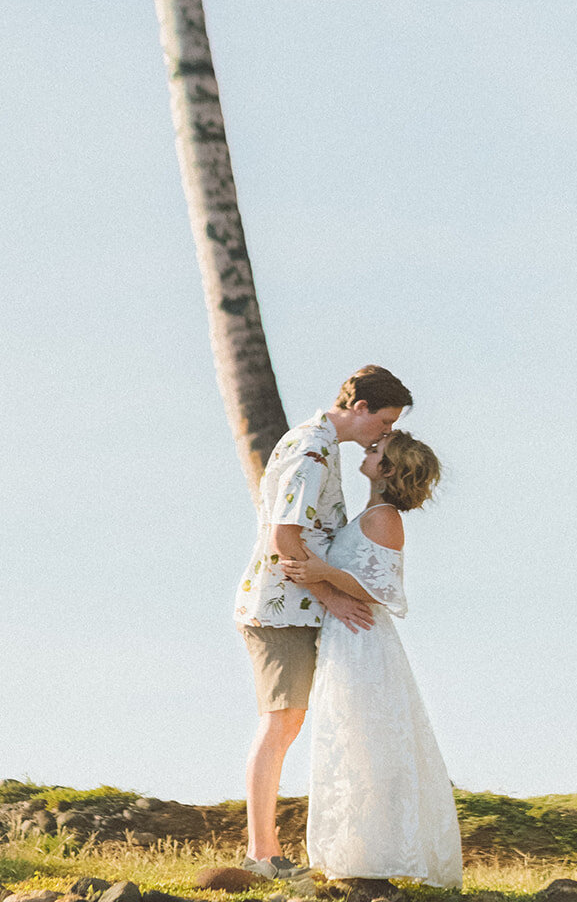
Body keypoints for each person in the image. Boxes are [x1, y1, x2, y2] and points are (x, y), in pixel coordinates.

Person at [234, 366, 413, 881]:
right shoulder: (312, 452)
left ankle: (267, 851)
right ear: (359, 408)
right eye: (383, 420)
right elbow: (283, 538)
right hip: (279, 606)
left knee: (287, 723)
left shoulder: (322, 448)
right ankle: (262, 854)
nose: (385, 432)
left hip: (296, 606)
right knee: (280, 723)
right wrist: (330, 597)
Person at [282, 431, 463, 887]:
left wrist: (325, 573)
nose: (368, 450)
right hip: (345, 634)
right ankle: (352, 851)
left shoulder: (384, 518)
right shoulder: (367, 514)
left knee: (364, 738)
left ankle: (371, 858)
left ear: (388, 469)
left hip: (363, 639)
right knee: (347, 737)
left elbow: (386, 593)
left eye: (377, 451)